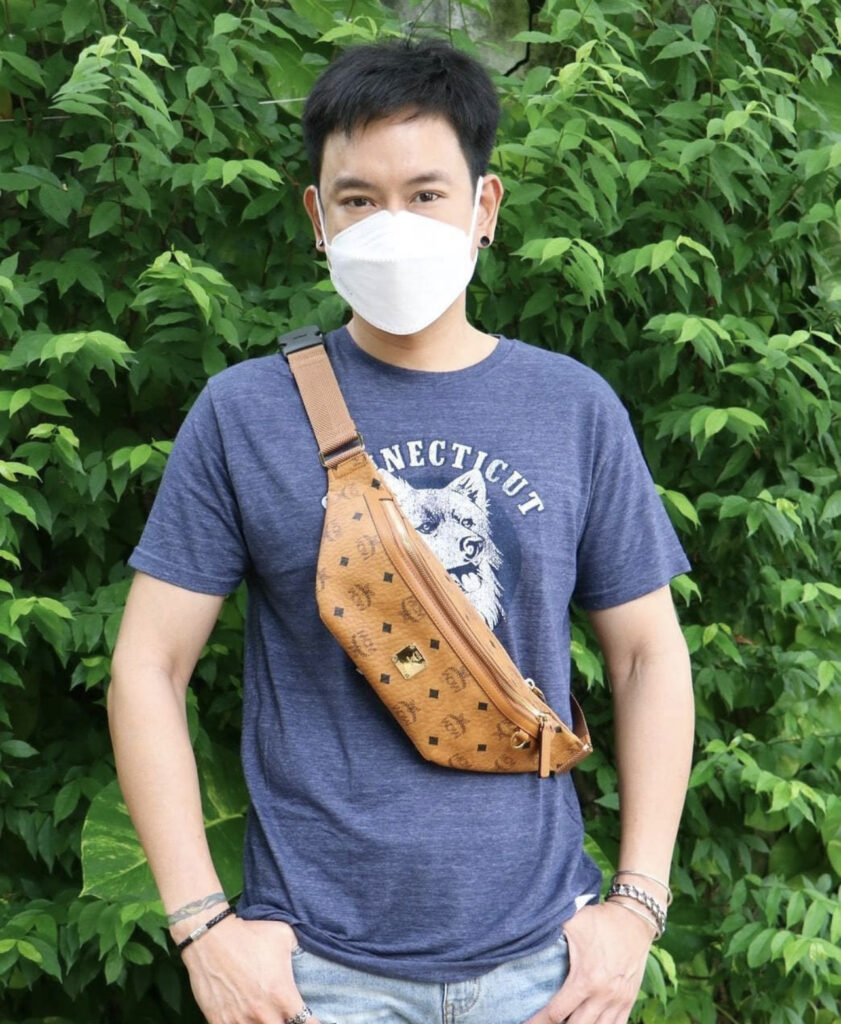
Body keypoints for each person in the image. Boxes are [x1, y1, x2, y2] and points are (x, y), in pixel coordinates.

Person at [108, 37, 695, 1024]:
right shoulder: (245, 413)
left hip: (545, 967)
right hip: (313, 973)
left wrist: (636, 906)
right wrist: (204, 928)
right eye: (358, 199)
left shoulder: (571, 408)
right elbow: (146, 667)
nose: (392, 225)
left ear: (484, 207)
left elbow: (646, 658)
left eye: (425, 194)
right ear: (317, 218)